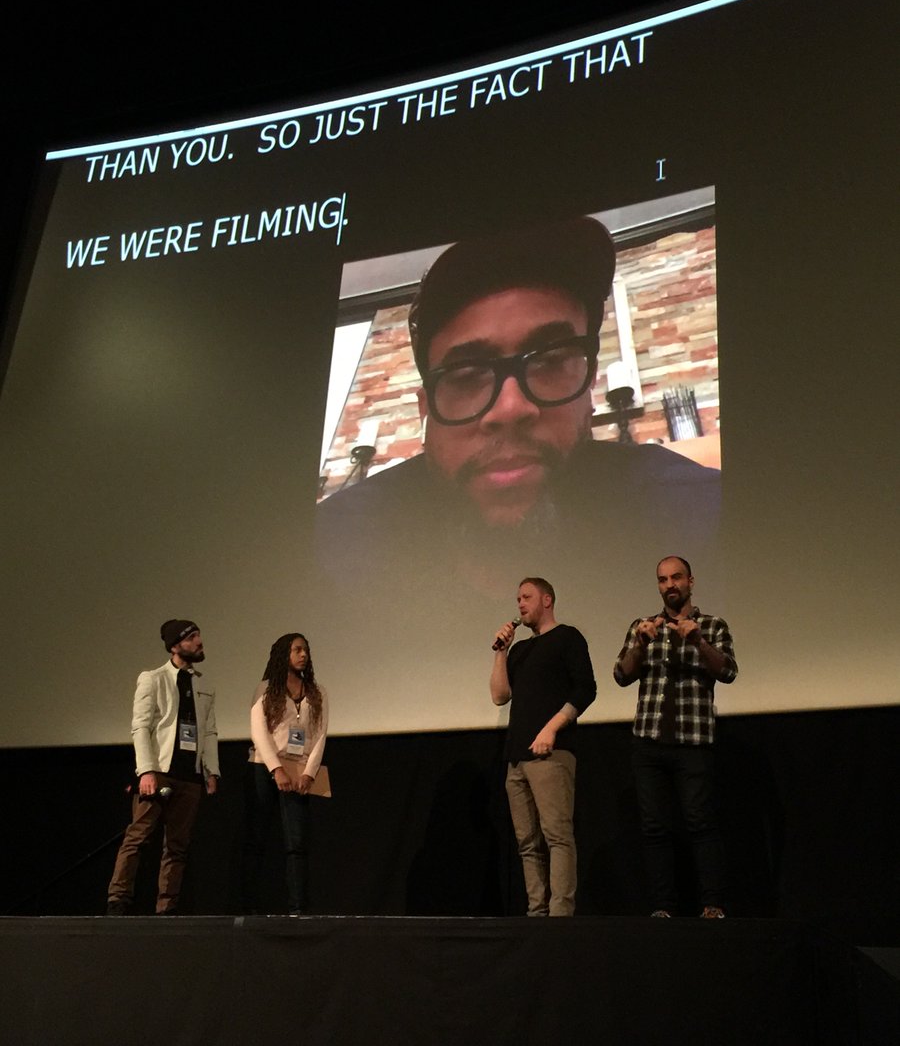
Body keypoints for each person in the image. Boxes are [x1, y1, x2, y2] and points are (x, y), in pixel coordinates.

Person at [313, 217, 721, 697]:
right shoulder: (332, 551)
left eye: (550, 361)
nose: (511, 409)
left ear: (589, 388)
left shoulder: (701, 516)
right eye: (466, 375)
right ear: (426, 412)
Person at [614, 555, 737, 918]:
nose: (670, 585)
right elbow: (621, 675)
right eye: (663, 579)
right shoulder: (643, 625)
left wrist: (698, 642)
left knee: (700, 822)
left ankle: (712, 905)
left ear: (690, 582)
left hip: (693, 741)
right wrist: (640, 645)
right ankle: (662, 907)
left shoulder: (713, 625)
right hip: (649, 741)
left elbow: (728, 670)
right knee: (654, 827)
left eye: (677, 578)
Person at [491, 577, 596, 916]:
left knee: (557, 836)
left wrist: (551, 729)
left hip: (552, 753)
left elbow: (585, 690)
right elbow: (499, 695)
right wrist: (501, 651)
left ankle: (560, 914)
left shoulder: (567, 637)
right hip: (517, 757)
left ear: (547, 600)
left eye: (527, 597)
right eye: (518, 598)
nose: (520, 604)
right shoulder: (520, 650)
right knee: (527, 844)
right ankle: (536, 913)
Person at [107, 619, 219, 915]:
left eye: (199, 634)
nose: (199, 641)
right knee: (137, 837)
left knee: (178, 846)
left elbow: (209, 730)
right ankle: (117, 902)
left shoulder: (203, 683)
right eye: (192, 637)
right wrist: (146, 770)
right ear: (175, 645)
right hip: (158, 771)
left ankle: (166, 910)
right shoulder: (153, 678)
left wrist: (212, 770)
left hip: (189, 775)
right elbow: (140, 727)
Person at [241, 633, 328, 915]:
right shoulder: (266, 689)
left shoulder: (317, 692)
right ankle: (249, 906)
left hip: (300, 771)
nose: (304, 655)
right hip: (264, 767)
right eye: (297, 650)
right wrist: (275, 769)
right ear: (283, 655)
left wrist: (310, 774)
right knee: (257, 839)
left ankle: (298, 909)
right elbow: (259, 732)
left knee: (297, 843)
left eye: (306, 650)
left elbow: (320, 735)